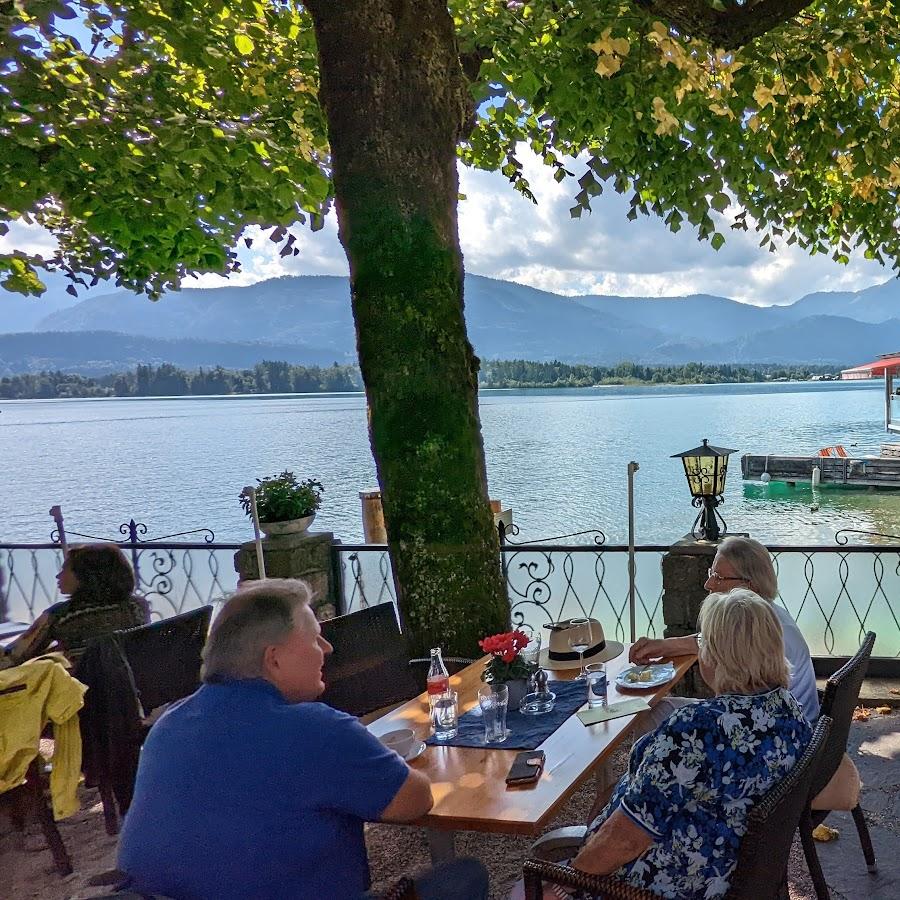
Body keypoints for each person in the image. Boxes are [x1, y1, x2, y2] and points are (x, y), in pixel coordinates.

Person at [117, 578, 489, 900]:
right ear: (273, 659)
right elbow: (414, 801)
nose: (327, 650)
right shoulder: (313, 728)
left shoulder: (171, 722)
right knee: (463, 876)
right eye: (315, 639)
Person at [564, 589, 812, 900]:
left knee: (544, 881)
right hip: (732, 872)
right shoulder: (787, 710)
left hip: (663, 884)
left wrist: (567, 880)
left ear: (714, 655)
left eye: (702, 644)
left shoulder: (694, 730)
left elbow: (625, 842)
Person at [630, 535, 819, 723]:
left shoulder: (771, 631)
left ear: (748, 585)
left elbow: (740, 703)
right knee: (654, 711)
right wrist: (665, 646)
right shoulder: (760, 618)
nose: (708, 584)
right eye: (710, 573)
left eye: (718, 577)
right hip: (770, 718)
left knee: (659, 719)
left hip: (773, 726)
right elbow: (711, 640)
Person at [0, 543, 148, 670]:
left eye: (65, 569)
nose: (58, 576)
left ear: (85, 576)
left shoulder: (61, 616)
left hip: (83, 696)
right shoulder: (138, 606)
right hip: (134, 691)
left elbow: (13, 657)